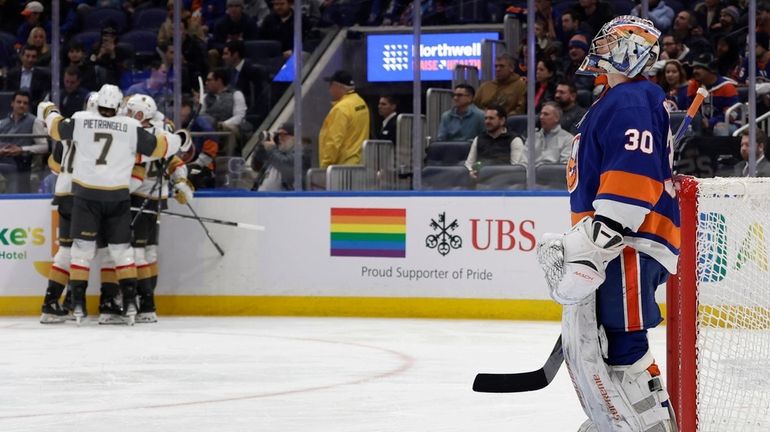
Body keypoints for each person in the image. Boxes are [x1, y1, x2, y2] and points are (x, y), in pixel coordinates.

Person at [536, 16, 678, 432]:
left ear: (633, 50)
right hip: (622, 241)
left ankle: (651, 425)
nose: (601, 45)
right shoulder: (621, 98)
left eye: (612, 41)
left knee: (623, 340)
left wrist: (597, 242)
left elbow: (633, 175)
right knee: (611, 338)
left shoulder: (631, 100)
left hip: (628, 242)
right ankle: (620, 422)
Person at [36, 84, 183, 325]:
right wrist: (179, 139)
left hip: (74, 192)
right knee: (114, 252)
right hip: (114, 195)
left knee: (74, 251)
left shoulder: (80, 121)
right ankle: (118, 304)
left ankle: (71, 304)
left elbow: (54, 159)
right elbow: (156, 149)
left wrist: (48, 109)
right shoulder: (129, 126)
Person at [125, 94, 193, 324]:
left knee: (137, 252)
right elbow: (176, 162)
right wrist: (181, 182)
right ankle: (147, 302)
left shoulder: (138, 134)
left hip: (138, 196)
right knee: (149, 251)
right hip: (156, 198)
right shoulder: (164, 132)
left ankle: (143, 303)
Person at [318, 70, 370, 168]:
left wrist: (325, 166)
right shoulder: (361, 103)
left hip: (342, 168)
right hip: (359, 163)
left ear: (338, 87)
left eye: (331, 85)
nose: (330, 89)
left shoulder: (341, 109)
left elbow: (334, 141)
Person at [0, 90, 48, 193]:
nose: (22, 105)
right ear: (12, 103)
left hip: (20, 164)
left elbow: (44, 146)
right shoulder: (2, 123)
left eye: (25, 103)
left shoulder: (34, 121)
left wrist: (22, 149)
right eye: (19, 102)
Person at [463, 105, 523, 177]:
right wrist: (471, 172)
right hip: (481, 180)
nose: (487, 121)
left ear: (502, 121)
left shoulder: (514, 140)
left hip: (504, 181)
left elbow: (517, 168)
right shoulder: (479, 139)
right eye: (486, 118)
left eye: (491, 118)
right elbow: (469, 164)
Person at [200, 68, 248, 155]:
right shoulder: (205, 97)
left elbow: (239, 116)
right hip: (210, 128)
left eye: (209, 80)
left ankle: (228, 156)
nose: (206, 83)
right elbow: (201, 115)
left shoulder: (236, 94)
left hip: (228, 127)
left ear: (219, 81)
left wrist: (223, 124)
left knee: (231, 130)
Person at [688, 53, 739, 135]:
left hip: (727, 124)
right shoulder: (694, 85)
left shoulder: (727, 87)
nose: (694, 71)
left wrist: (711, 122)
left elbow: (732, 114)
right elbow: (690, 108)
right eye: (694, 68)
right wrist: (699, 120)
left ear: (711, 69)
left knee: (720, 128)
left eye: (698, 68)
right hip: (702, 124)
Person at [511, 102, 573, 166]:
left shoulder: (568, 139)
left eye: (546, 114)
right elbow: (523, 162)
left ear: (557, 118)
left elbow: (565, 166)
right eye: (541, 114)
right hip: (532, 175)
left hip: (554, 174)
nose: (541, 117)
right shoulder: (533, 137)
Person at [252, 122, 309, 191]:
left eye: (282, 135)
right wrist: (261, 146)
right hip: (260, 198)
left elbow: (285, 165)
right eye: (278, 135)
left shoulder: (301, 154)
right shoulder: (275, 152)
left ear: (295, 137)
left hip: (285, 200)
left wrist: (271, 149)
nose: (279, 138)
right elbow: (255, 166)